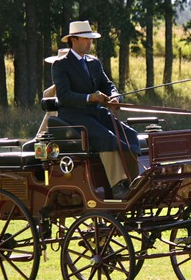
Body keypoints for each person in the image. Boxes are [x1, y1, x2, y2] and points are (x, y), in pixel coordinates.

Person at [51, 20, 140, 199]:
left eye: (91, 39)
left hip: (96, 113)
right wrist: (89, 98)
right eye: (86, 39)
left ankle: (135, 180)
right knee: (106, 137)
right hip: (74, 116)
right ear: (73, 40)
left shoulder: (94, 63)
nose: (89, 42)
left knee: (130, 135)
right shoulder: (61, 64)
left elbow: (108, 85)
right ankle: (117, 186)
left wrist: (115, 97)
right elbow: (64, 96)